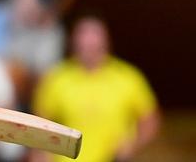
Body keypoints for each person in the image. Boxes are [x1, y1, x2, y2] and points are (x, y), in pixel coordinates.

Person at [31, 14, 160, 162]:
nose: (89, 44)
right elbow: (39, 123)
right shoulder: (56, 78)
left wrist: (133, 144)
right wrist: (40, 154)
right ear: (74, 43)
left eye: (94, 38)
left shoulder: (128, 77)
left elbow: (150, 120)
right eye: (83, 38)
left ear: (106, 41)